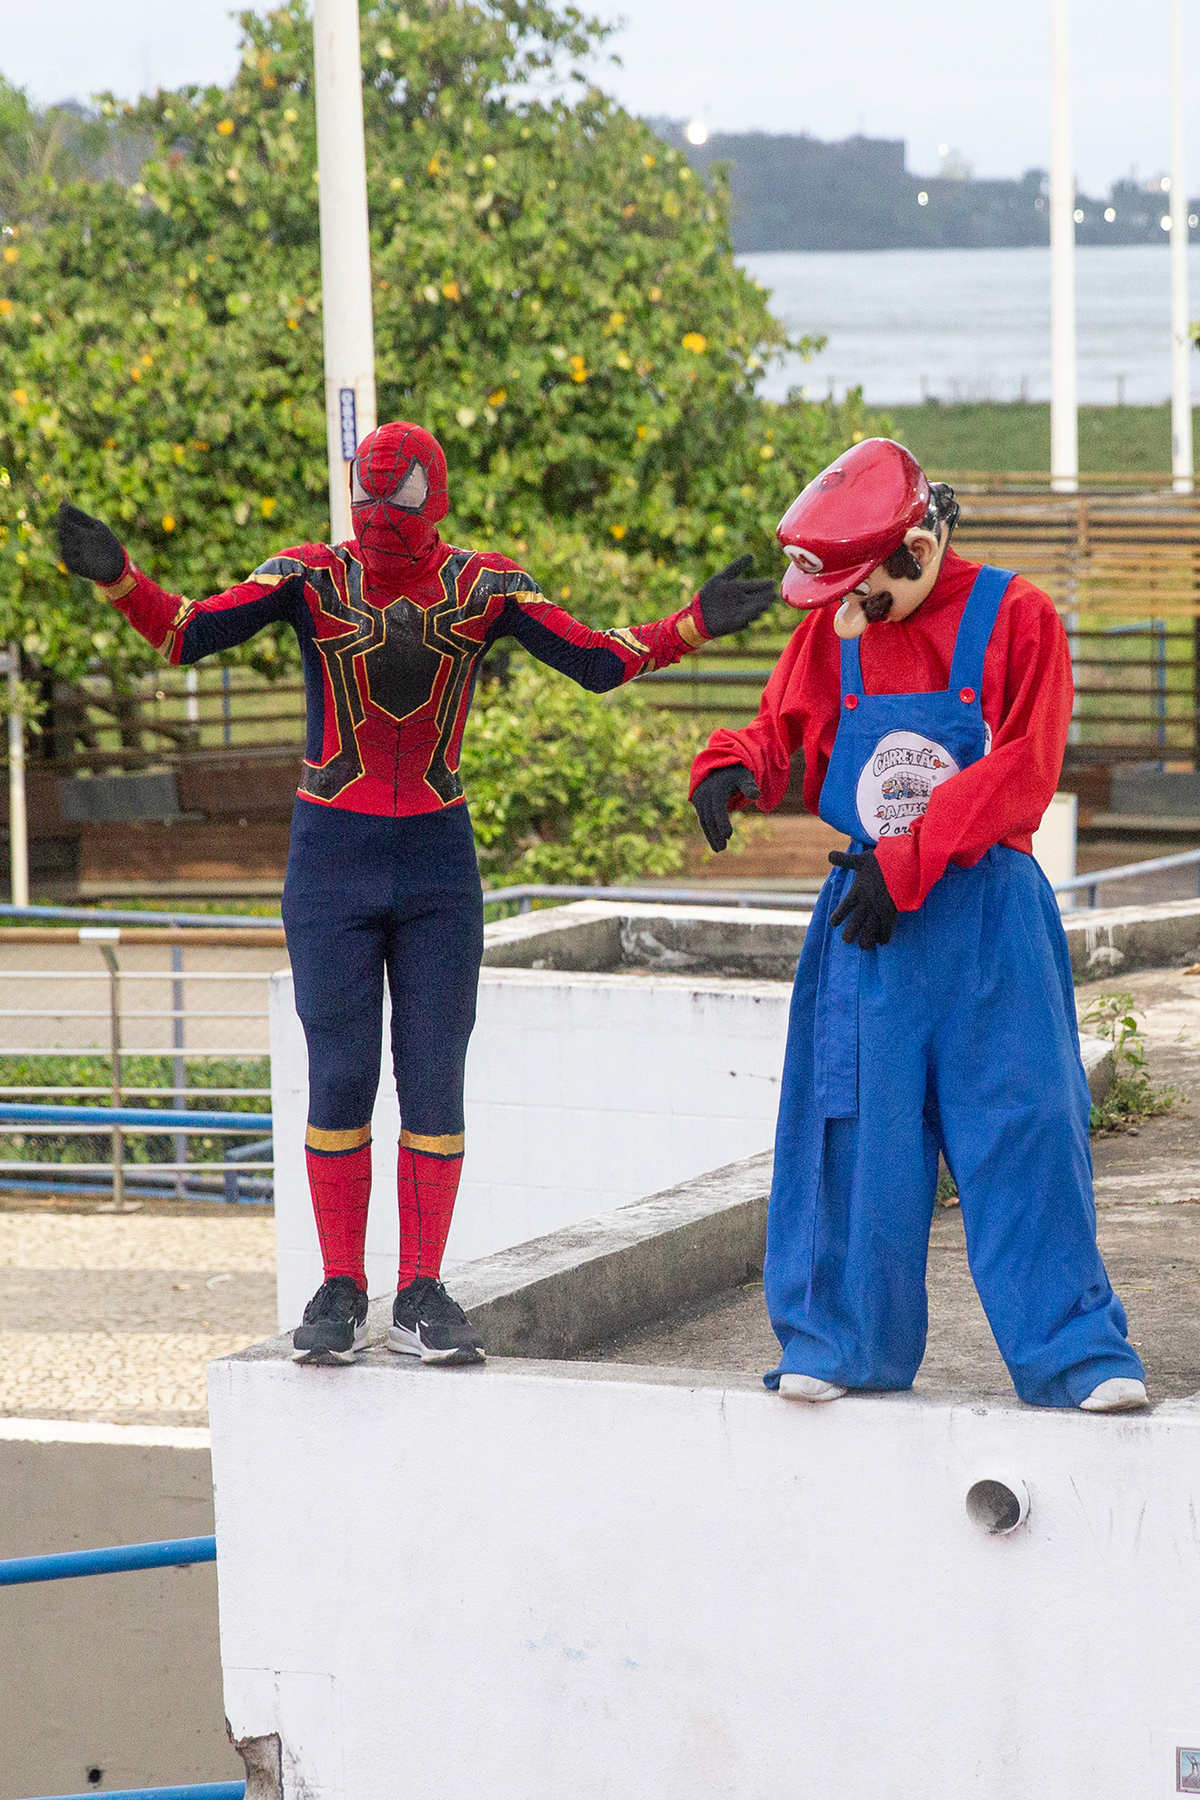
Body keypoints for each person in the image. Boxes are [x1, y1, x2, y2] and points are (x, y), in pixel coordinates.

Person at [57, 419, 777, 1367]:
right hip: (335, 862)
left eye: (390, 497)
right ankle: (343, 1285)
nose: (378, 514)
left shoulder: (484, 585)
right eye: (368, 495)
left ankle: (424, 1288)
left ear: (427, 496)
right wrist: (116, 578)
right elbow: (189, 632)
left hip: (433, 862)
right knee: (342, 1076)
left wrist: (692, 620)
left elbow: (597, 660)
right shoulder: (310, 575)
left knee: (434, 1078)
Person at [690, 436, 1147, 1413]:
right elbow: (787, 725)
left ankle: (1078, 1357)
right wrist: (736, 766)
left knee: (1026, 1127)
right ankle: (839, 1342)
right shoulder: (842, 620)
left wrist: (912, 858)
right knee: (852, 1133)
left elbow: (1025, 765)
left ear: (913, 550)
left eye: (860, 592)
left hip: (989, 919)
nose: (845, 615)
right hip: (867, 923)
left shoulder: (1018, 616)